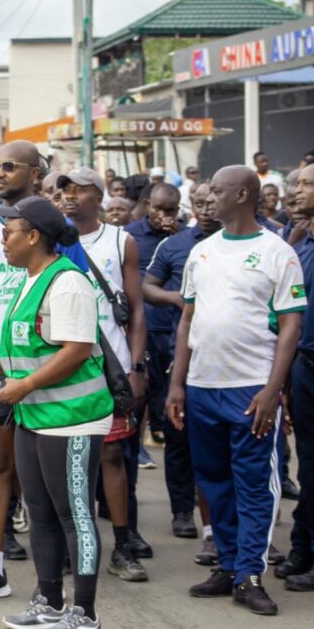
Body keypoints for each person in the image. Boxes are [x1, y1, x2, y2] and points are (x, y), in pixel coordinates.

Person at [0, 196, 113, 629]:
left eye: (8, 233)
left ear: (33, 237)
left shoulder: (67, 282)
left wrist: (24, 385)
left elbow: (77, 349)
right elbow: (36, 345)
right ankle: (48, 601)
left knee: (75, 516)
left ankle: (84, 613)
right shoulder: (30, 279)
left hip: (72, 418)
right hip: (35, 416)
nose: (2, 241)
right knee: (42, 513)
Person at [0, 140, 89, 604]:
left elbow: (77, 294)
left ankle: (60, 573)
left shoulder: (55, 228)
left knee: (47, 475)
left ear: (36, 173)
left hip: (46, 369)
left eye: (9, 166)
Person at [168, 166, 304, 616]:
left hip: (251, 390)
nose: (208, 199)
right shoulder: (202, 252)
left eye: (217, 191)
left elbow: (291, 326)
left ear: (243, 195)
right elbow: (187, 320)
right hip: (202, 386)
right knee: (215, 481)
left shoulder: (277, 251)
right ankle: (227, 566)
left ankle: (250, 574)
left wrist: (272, 388)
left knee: (254, 485)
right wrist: (177, 384)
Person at [59, 168, 150, 583]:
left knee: (112, 456)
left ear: (98, 196)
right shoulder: (50, 239)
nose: (69, 197)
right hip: (63, 365)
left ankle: (122, 545)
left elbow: (136, 309)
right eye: (64, 191)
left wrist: (136, 366)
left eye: (79, 191)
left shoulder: (120, 240)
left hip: (109, 365)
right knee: (66, 460)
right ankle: (72, 544)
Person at [143, 183, 220, 563]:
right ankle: (182, 511)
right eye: (199, 203)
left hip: (230, 362)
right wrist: (177, 298)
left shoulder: (240, 243)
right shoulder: (175, 246)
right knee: (180, 440)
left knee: (223, 448)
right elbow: (147, 288)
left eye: (210, 202)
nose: (204, 209)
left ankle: (229, 526)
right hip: (182, 353)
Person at [125, 183, 181, 449]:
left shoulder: (184, 237)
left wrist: (176, 238)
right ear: (148, 205)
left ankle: (167, 435)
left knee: (169, 389)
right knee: (143, 391)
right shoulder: (130, 235)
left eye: (170, 210)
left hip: (174, 325)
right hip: (144, 325)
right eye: (159, 208)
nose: (164, 215)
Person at [280, 163, 314, 592]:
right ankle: (303, 548)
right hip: (305, 368)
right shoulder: (300, 247)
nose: (296, 190)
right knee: (308, 464)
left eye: (307, 184)